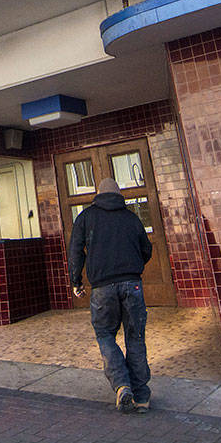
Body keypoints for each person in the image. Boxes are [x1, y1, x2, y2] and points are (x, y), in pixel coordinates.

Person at [68, 177, 153, 414]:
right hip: (132, 284)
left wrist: (76, 281)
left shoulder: (86, 217)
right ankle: (142, 396)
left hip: (102, 287)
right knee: (135, 336)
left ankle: (122, 385)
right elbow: (146, 249)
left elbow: (75, 251)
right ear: (119, 195)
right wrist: (134, 267)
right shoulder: (131, 217)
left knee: (105, 334)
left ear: (98, 194)